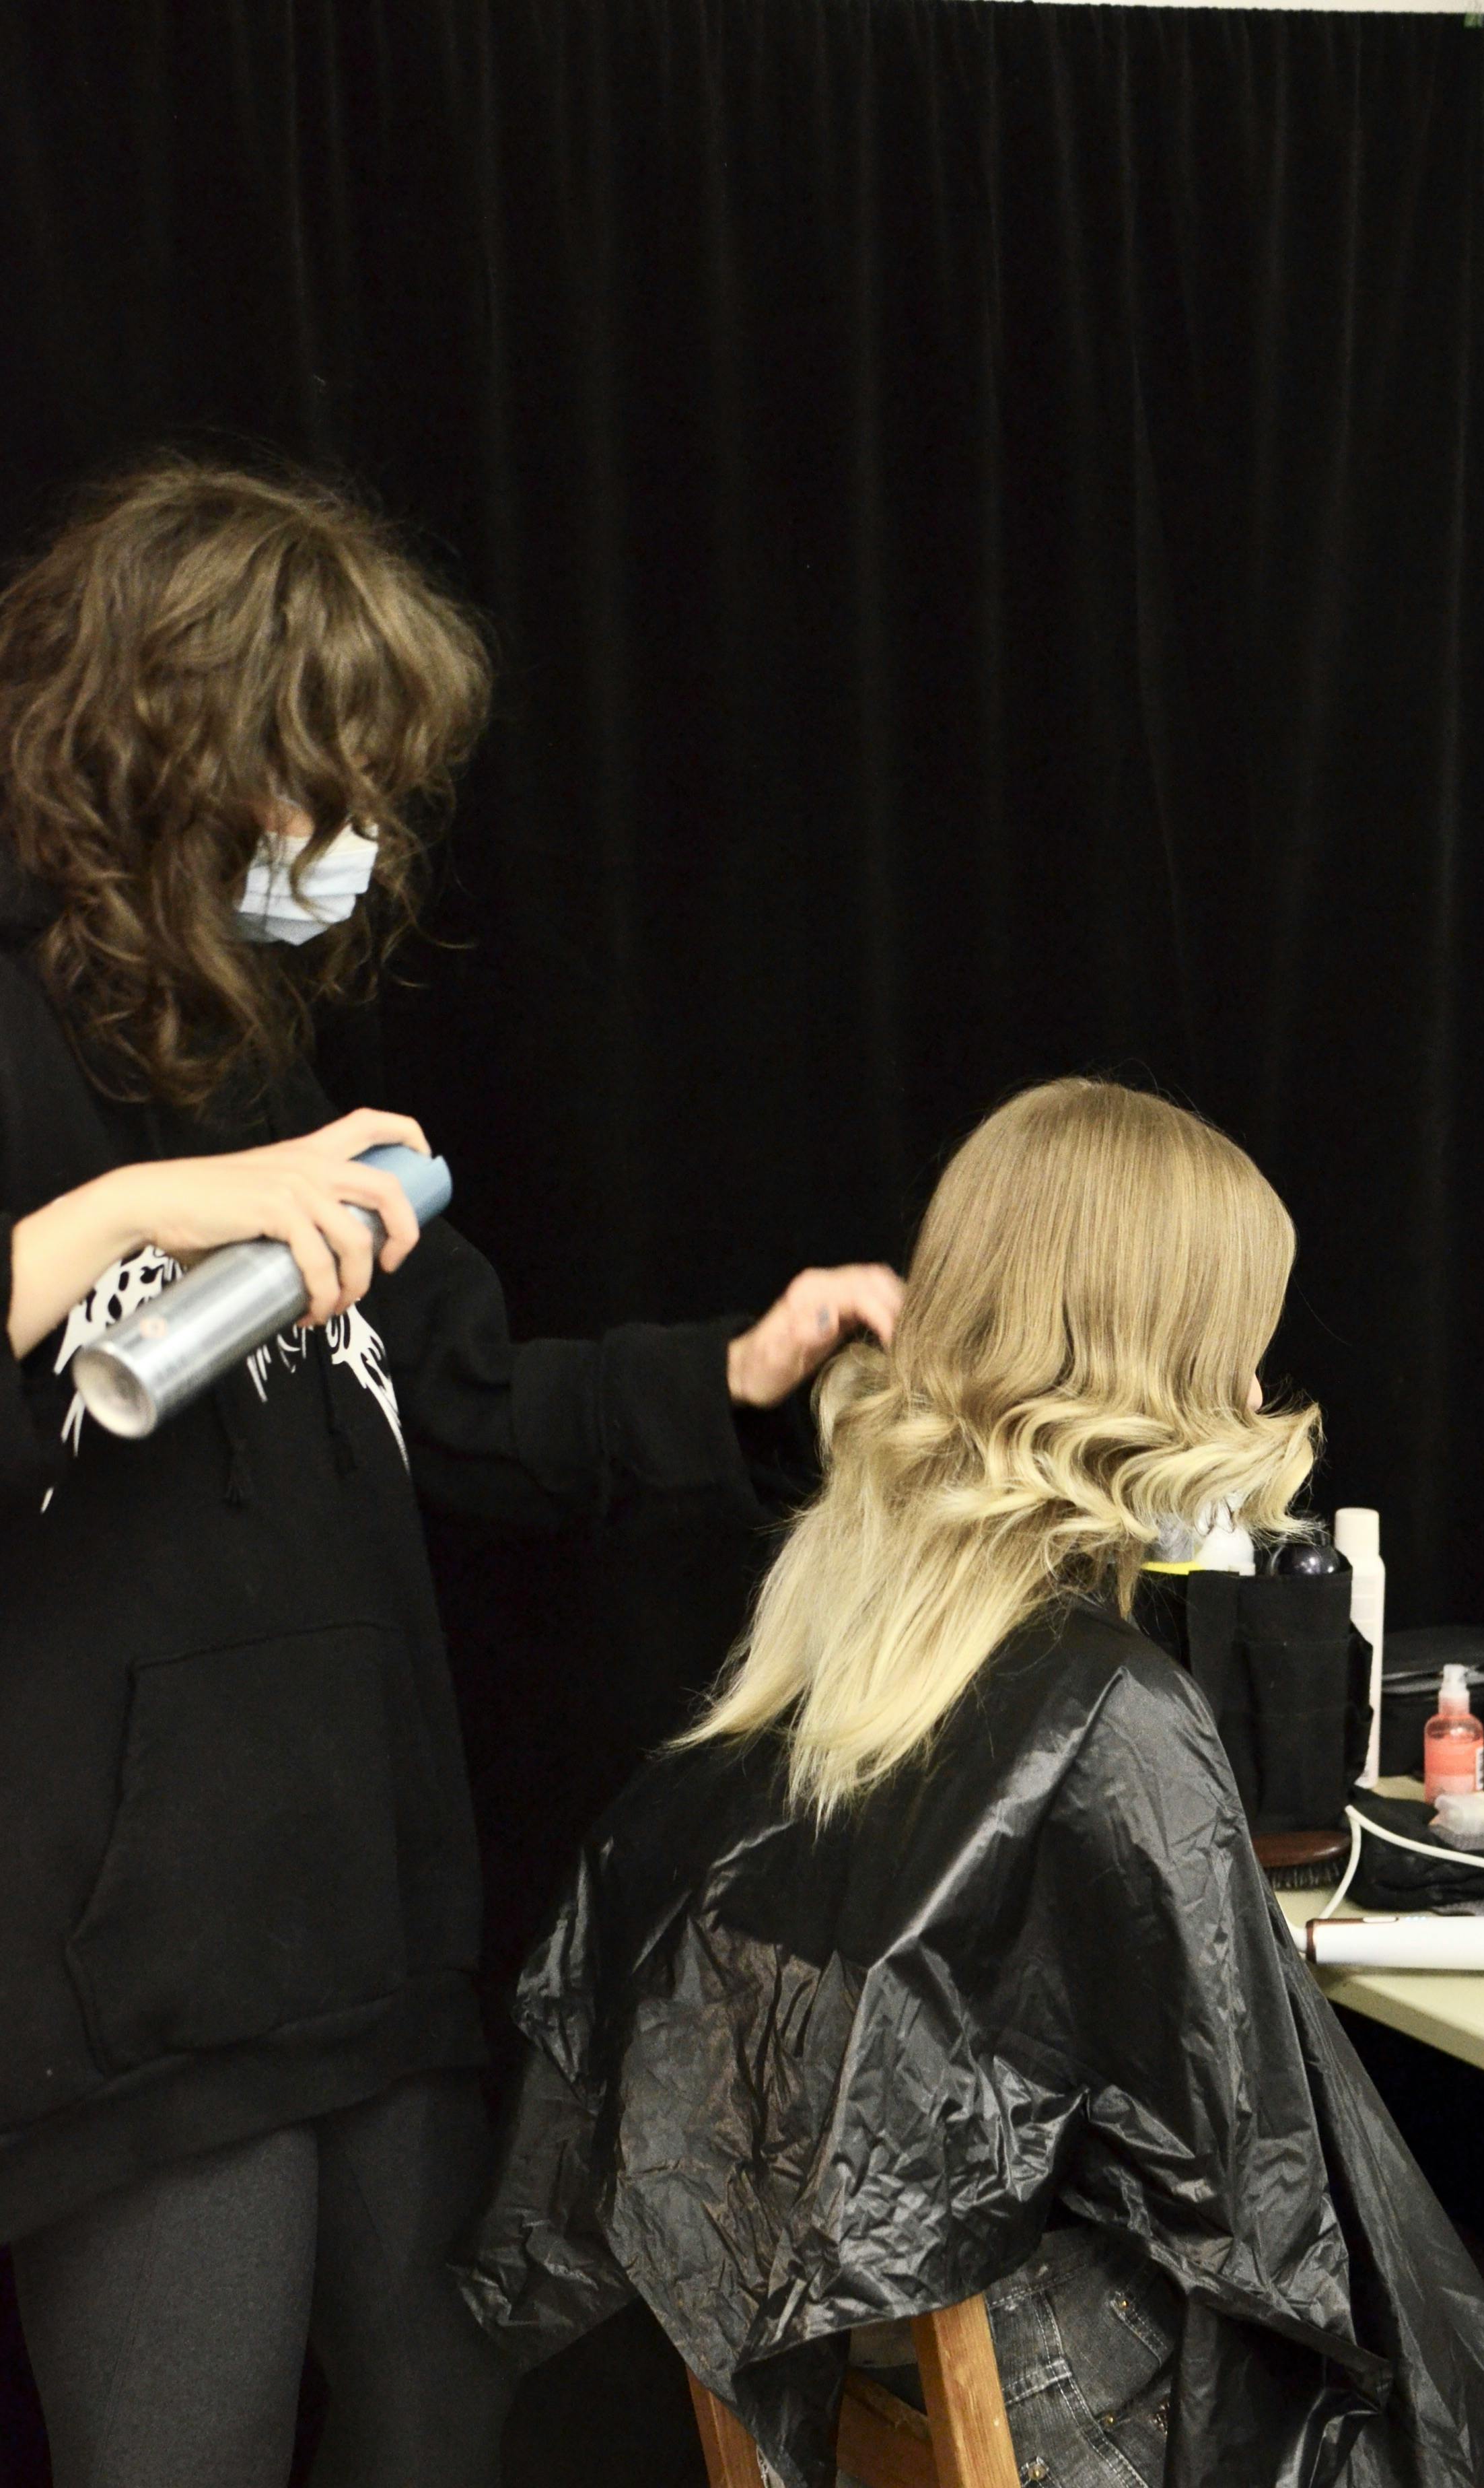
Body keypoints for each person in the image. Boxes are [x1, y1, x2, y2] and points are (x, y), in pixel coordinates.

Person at [0, 457, 903, 2488]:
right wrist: (152, 1204)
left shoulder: (252, 1060)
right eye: (333, 784)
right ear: (185, 746)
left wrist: (743, 1379)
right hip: (139, 1999)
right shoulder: (40, 1057)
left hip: (369, 1939)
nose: (361, 842)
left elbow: (474, 1408)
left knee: (442, 2443)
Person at [463, 1078, 1484, 2488]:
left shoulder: (834, 1651)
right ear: (1163, 1361)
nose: (1258, 1393)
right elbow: (1264, 2218)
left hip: (887, 2361)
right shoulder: (1105, 1707)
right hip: (1088, 2403)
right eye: (1240, 1345)